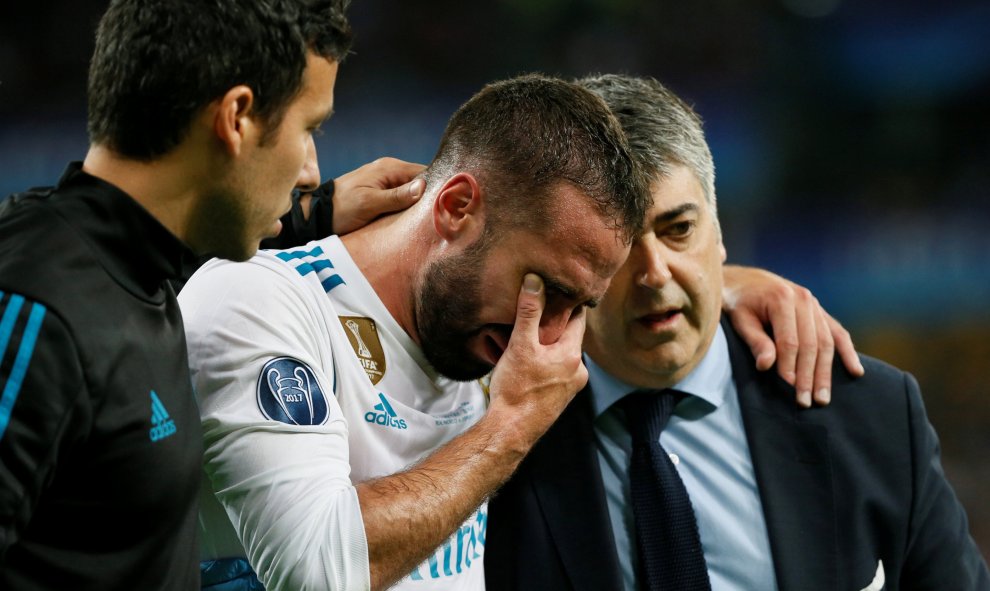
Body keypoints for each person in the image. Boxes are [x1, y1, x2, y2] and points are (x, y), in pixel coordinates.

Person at [181, 73, 862, 591]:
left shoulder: (492, 319)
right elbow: (317, 569)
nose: (556, 333)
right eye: (549, 290)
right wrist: (510, 427)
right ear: (456, 207)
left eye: (582, 303)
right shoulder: (263, 301)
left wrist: (727, 283)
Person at [484, 74, 990, 591]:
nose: (655, 273)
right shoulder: (493, 436)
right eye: (617, 248)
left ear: (719, 231)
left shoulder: (872, 414)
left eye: (678, 230)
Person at [0, 1, 420, 588]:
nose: (308, 170)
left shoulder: (131, 264)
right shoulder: (37, 308)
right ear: (237, 118)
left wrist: (314, 213)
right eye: (308, 129)